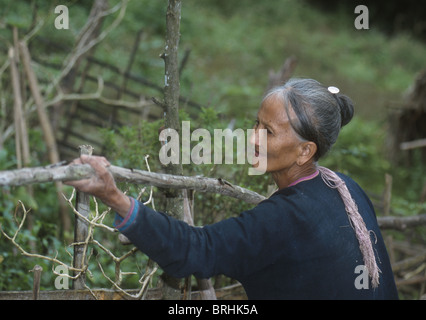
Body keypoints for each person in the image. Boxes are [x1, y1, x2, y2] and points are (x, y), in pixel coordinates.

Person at [65, 78, 398, 299]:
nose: (252, 136)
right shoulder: (347, 188)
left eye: (268, 131)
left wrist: (115, 197)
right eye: (256, 123)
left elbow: (194, 251)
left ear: (305, 151)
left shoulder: (285, 217)